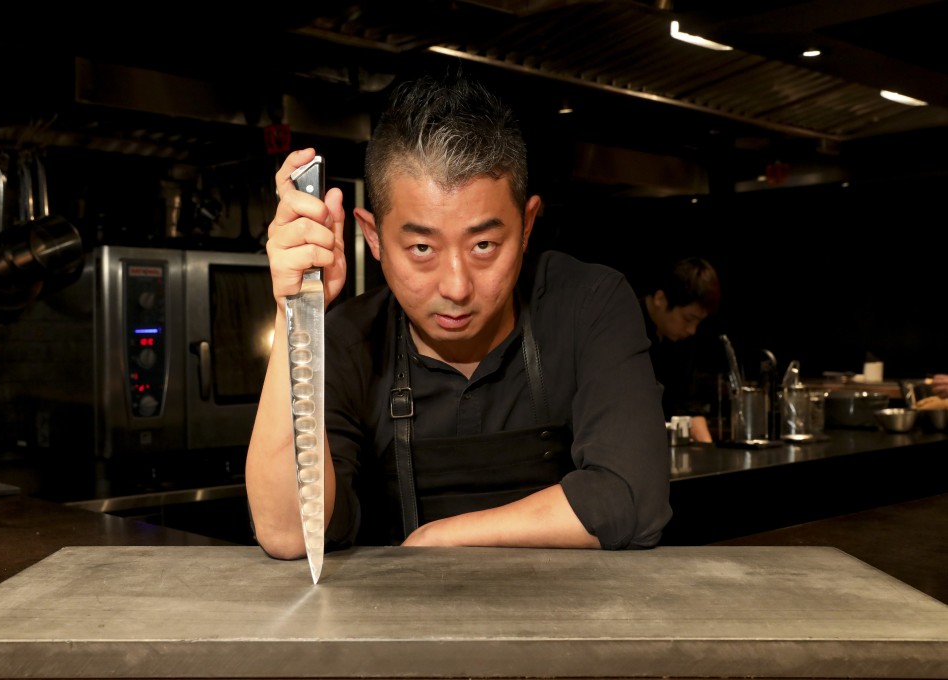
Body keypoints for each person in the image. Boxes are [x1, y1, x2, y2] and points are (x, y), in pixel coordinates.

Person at [246, 70, 671, 559]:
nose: (456, 286)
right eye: (422, 247)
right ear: (373, 237)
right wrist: (295, 313)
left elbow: (632, 498)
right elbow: (289, 533)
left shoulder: (589, 304)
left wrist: (440, 536)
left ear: (527, 225)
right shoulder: (346, 341)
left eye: (485, 245)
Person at [638, 256, 722, 443]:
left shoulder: (681, 338)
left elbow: (689, 404)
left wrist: (708, 452)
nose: (692, 330)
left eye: (698, 322)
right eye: (688, 319)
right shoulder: (622, 328)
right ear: (660, 298)